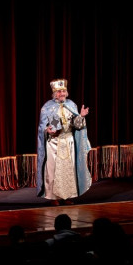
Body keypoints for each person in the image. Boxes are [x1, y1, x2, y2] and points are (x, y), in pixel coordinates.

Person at [36, 78, 92, 206]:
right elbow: (42, 127)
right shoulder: (47, 107)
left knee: (68, 171)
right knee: (53, 171)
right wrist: (47, 130)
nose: (62, 93)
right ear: (54, 93)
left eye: (63, 91)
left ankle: (67, 196)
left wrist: (81, 116)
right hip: (54, 143)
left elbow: (77, 125)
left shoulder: (71, 105)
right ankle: (53, 197)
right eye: (59, 91)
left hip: (68, 142)